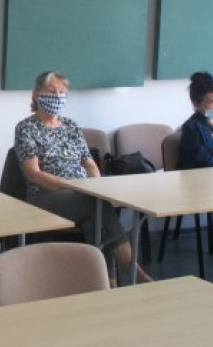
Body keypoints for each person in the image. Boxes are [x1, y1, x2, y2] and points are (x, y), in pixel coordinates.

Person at [14, 71, 151, 284]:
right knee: (95, 204)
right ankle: (134, 273)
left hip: (82, 194)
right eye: (51, 91)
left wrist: (96, 186)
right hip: (44, 196)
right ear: (36, 94)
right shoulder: (26, 128)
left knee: (96, 216)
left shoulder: (71, 126)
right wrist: (71, 186)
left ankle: (108, 284)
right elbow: (34, 174)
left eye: (61, 92)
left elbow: (90, 164)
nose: (57, 97)